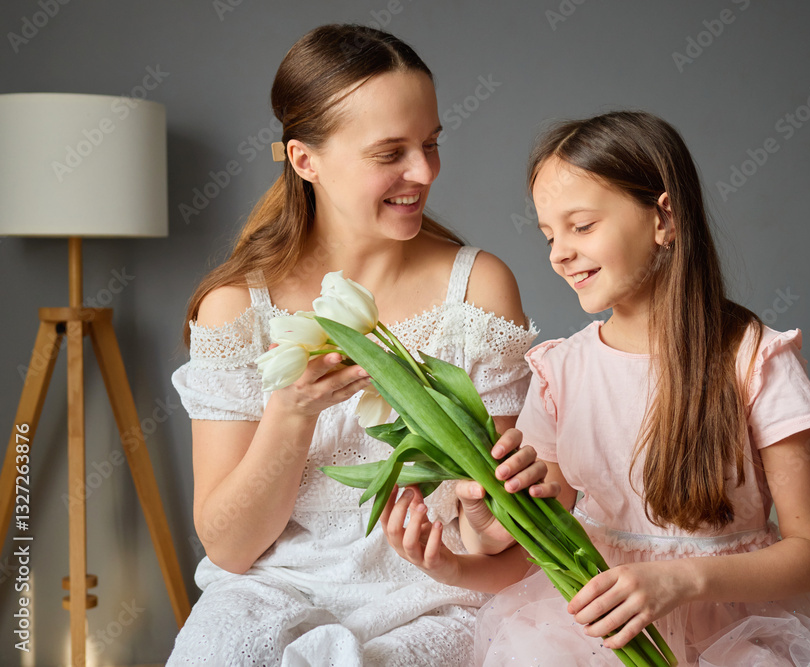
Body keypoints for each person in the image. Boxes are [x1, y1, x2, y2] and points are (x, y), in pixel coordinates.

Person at [381, 111, 810, 666]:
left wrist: (678, 581)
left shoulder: (754, 359)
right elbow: (533, 560)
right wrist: (463, 549)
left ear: (663, 217)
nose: (558, 253)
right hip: (594, 637)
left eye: (581, 226)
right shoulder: (559, 372)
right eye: (549, 234)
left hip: (738, 626)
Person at [167, 24, 548, 666]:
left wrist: (476, 522)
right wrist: (291, 414)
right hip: (267, 593)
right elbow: (230, 548)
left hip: (434, 597)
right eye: (389, 152)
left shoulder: (476, 290)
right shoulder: (237, 308)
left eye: (430, 144)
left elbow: (500, 538)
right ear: (304, 160)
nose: (423, 171)